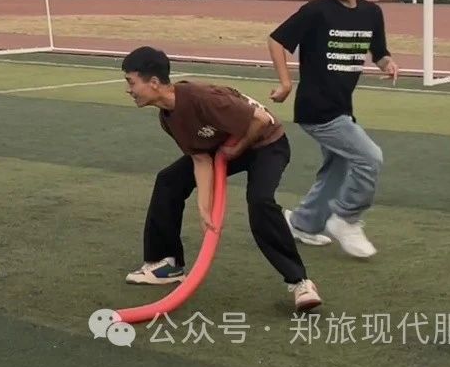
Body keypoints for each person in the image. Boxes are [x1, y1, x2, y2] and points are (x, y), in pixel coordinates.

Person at [121, 45, 323, 313]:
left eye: (131, 82)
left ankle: (300, 282)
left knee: (260, 201)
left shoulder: (202, 98)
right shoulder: (168, 118)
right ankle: (166, 264)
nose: (129, 90)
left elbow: (261, 119)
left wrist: (237, 148)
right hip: (224, 150)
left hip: (267, 144)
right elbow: (201, 159)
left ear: (155, 82)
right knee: (169, 181)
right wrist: (205, 209)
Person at [268, 0, 398, 258]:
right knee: (370, 158)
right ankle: (346, 219)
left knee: (337, 168)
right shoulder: (317, 11)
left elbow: (379, 52)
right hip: (317, 109)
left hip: (342, 107)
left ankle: (303, 223)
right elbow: (276, 40)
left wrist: (387, 64)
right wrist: (285, 83)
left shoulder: (371, 13)